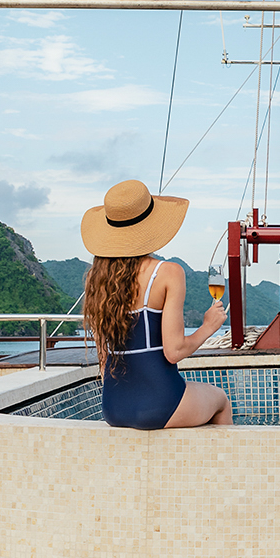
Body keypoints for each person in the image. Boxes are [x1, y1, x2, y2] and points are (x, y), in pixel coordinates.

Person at [81, 179, 231, 428]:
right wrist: (208, 326)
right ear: (149, 227)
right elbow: (174, 352)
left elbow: (103, 358)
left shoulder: (96, 280)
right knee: (221, 399)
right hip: (160, 404)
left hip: (114, 406)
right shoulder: (168, 273)